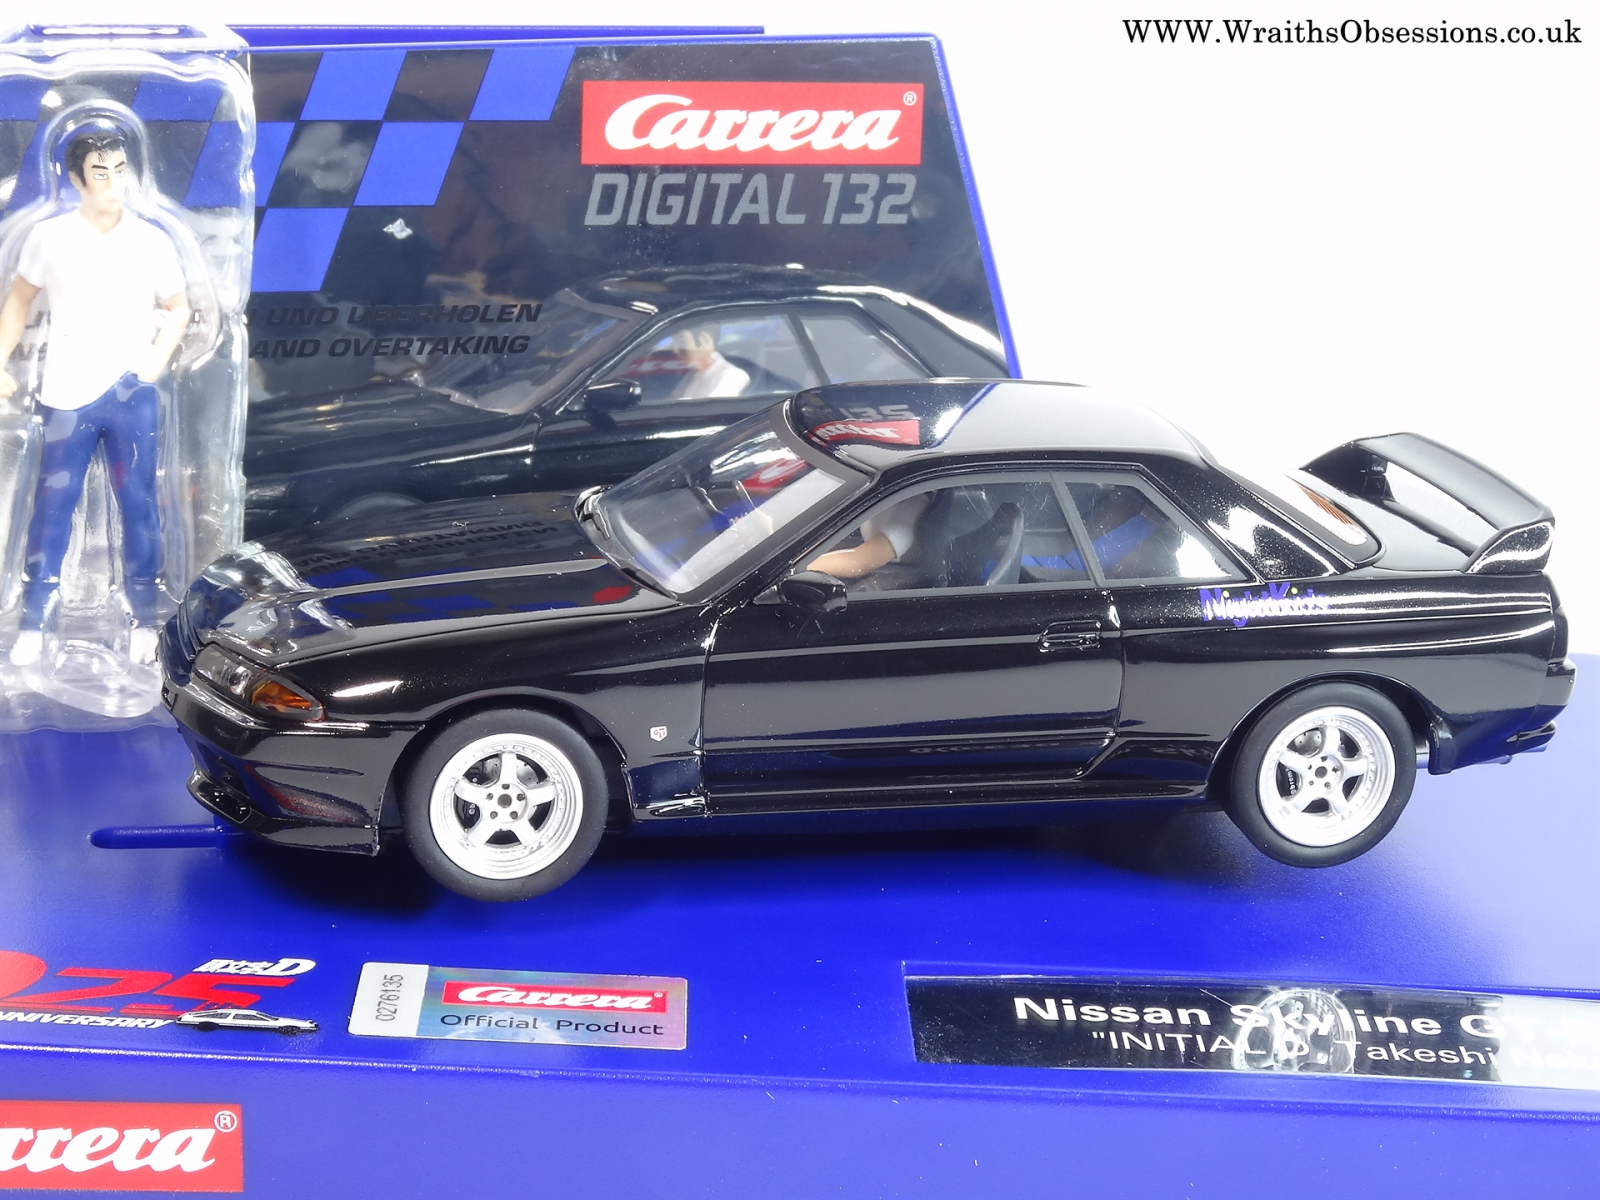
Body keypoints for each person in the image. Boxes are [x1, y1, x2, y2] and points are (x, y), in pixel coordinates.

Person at [0, 127, 190, 667]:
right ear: (75, 179)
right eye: (100, 173)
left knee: (140, 504)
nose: (112, 183)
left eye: (120, 171)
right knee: (52, 505)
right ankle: (34, 617)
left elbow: (178, 308)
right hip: (66, 393)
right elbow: (18, 302)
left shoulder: (152, 240)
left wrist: (153, 363)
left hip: (132, 392)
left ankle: (144, 617)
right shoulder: (49, 237)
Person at [807, 491, 931, 580]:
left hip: (888, 576)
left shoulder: (910, 511)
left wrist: (802, 567)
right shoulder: (874, 488)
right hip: (860, 542)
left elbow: (858, 562)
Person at [667, 326, 750, 400]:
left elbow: (713, 410)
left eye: (682, 342)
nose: (675, 350)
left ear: (704, 340)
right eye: (674, 343)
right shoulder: (690, 376)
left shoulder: (732, 376)